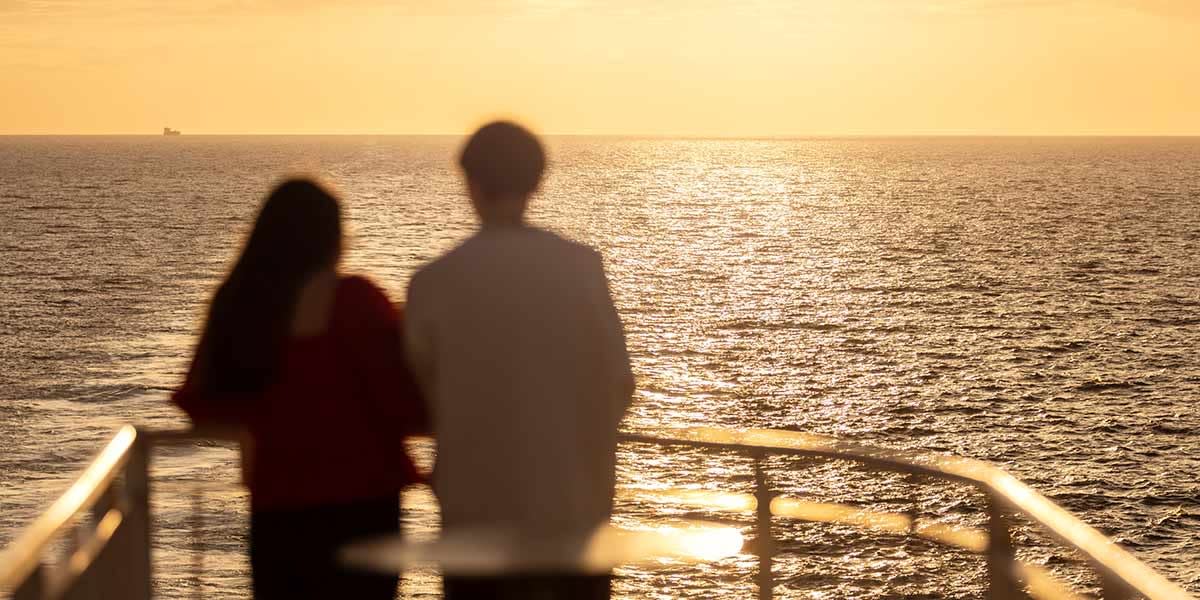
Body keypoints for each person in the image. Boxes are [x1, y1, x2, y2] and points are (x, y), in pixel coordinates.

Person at [404, 121, 635, 599]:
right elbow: (618, 381)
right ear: (537, 180)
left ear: (469, 181)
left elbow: (421, 389)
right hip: (573, 506)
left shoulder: (432, 283)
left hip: (475, 512)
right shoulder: (582, 269)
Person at [172, 179, 427, 600]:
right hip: (363, 510)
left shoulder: (241, 306)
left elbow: (201, 402)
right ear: (332, 237)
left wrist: (264, 421)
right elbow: (406, 403)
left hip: (278, 513)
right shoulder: (355, 301)